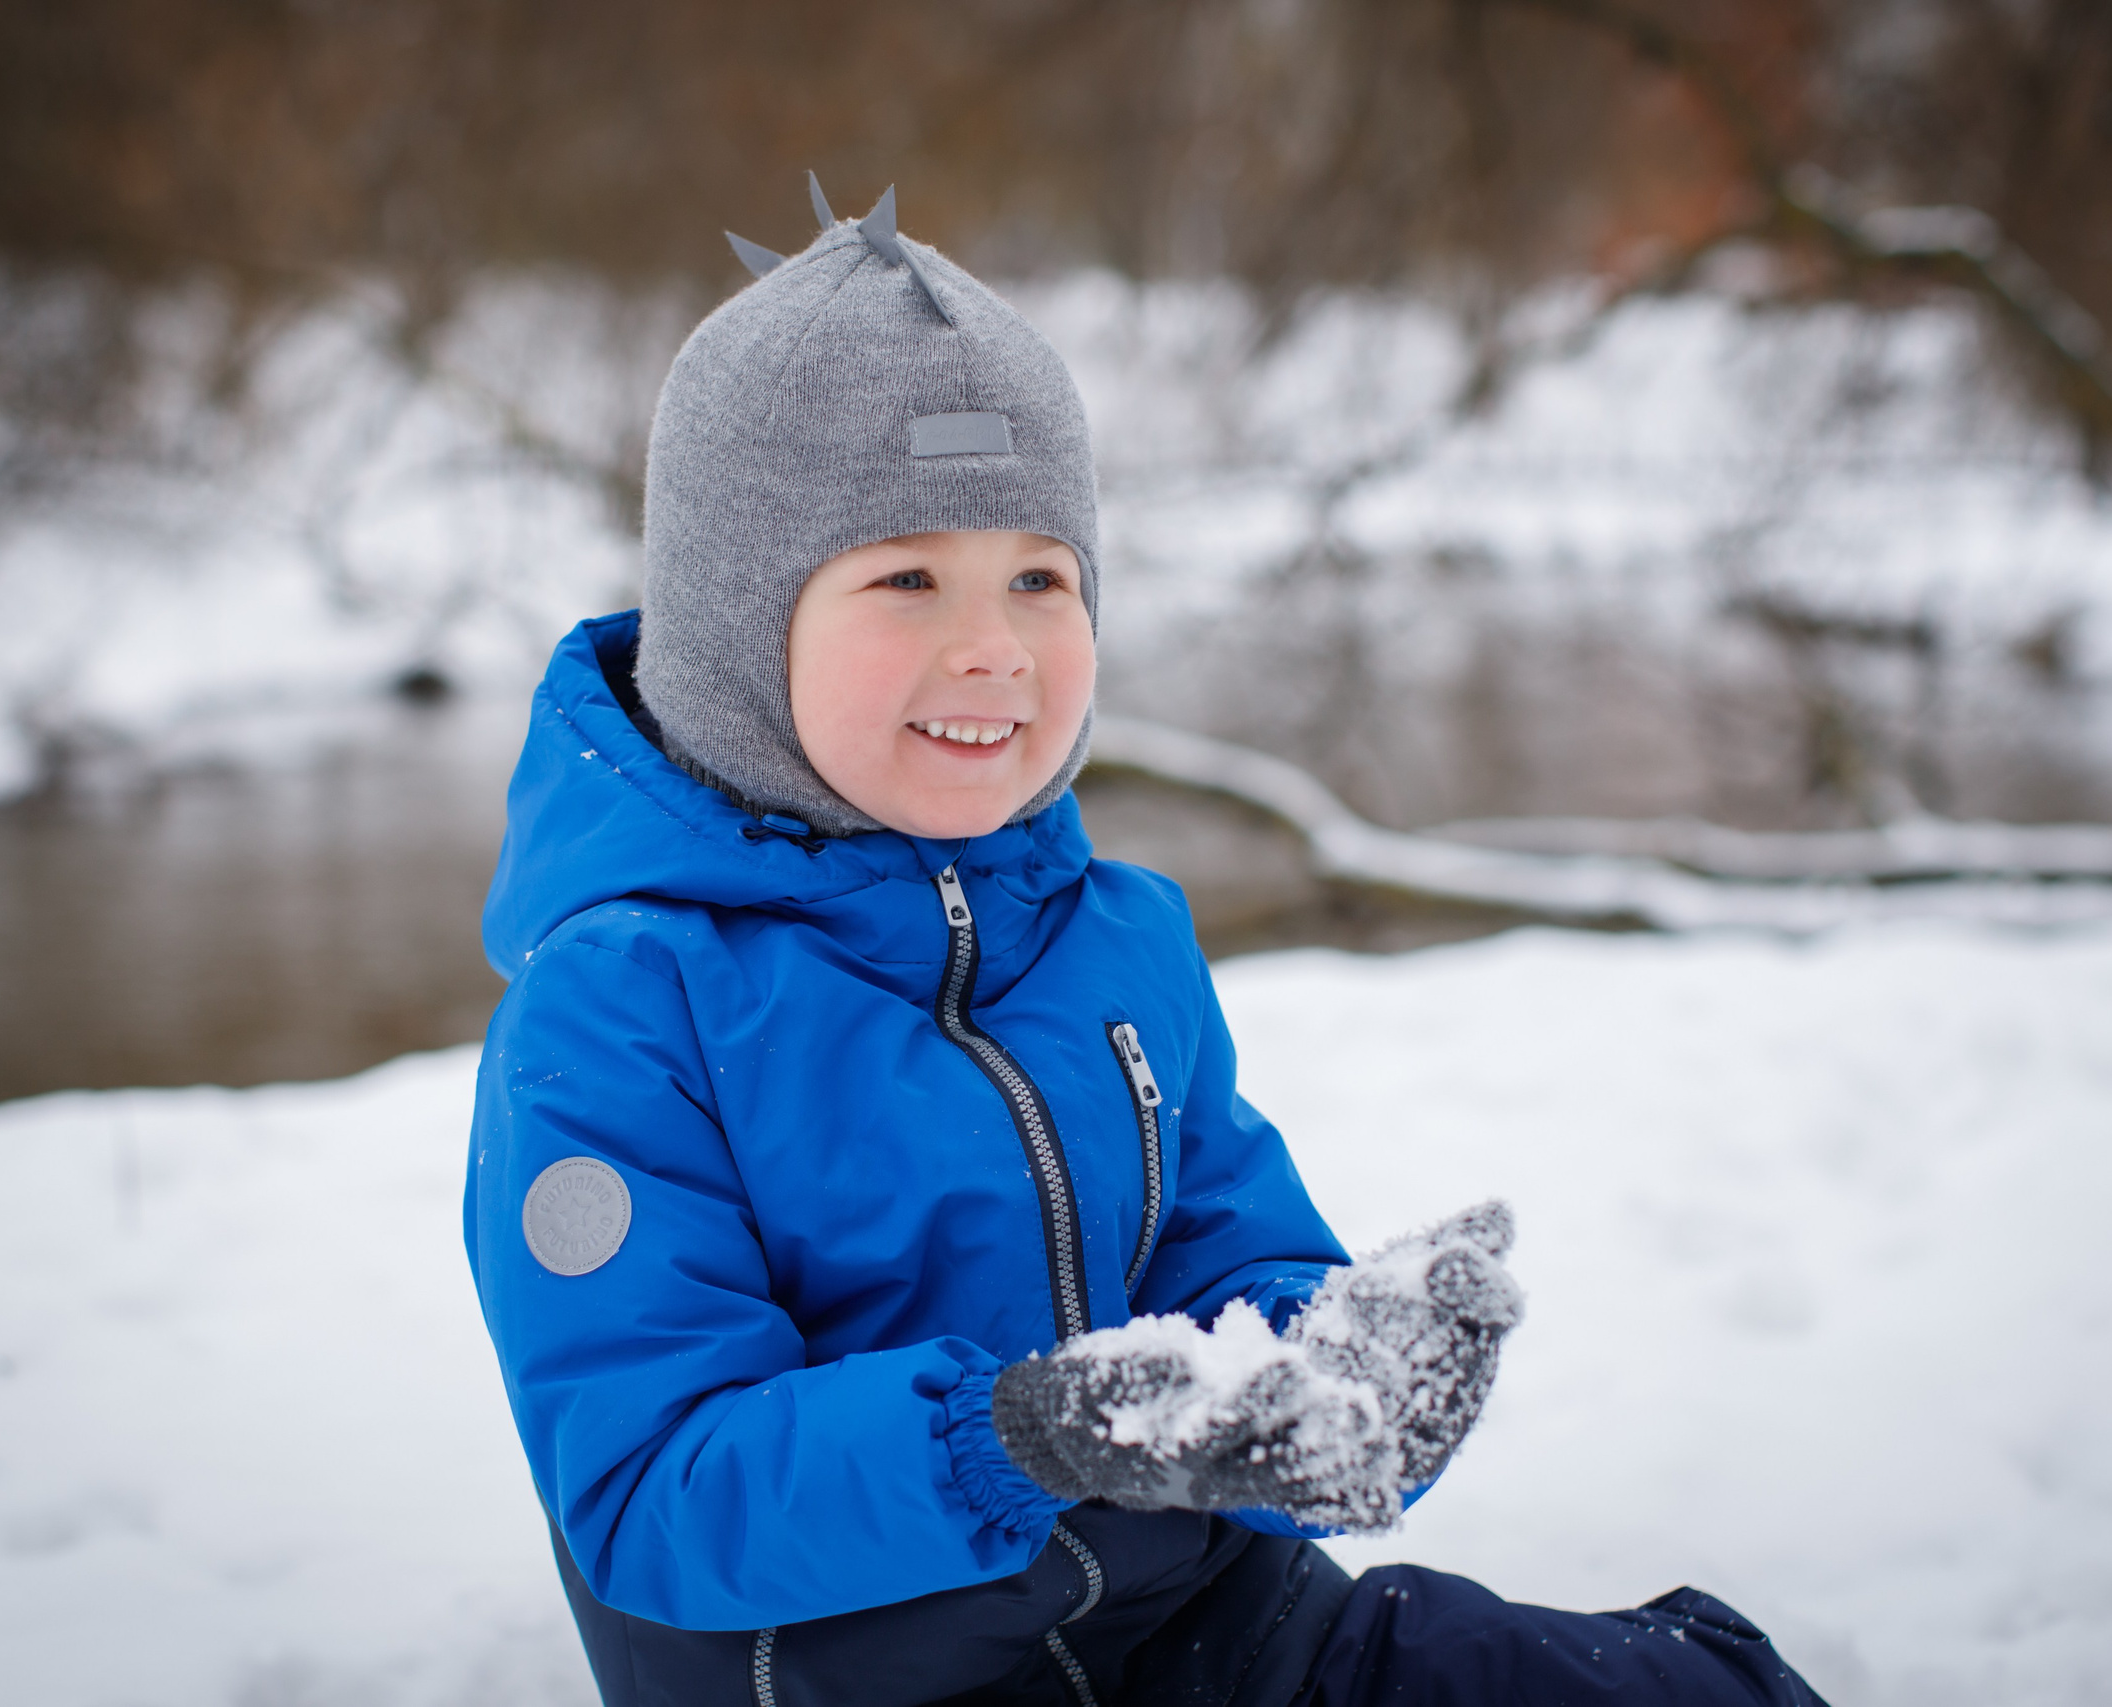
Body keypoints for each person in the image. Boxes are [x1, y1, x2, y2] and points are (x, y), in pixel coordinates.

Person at [464, 181, 1828, 1707]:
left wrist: (1328, 1370)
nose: (993, 644)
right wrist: (1019, 1434)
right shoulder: (623, 1009)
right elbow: (654, 1492)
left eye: (1038, 577)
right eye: (906, 578)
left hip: (1221, 1643)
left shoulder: (1118, 939)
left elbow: (1228, 1253)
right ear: (731, 629)